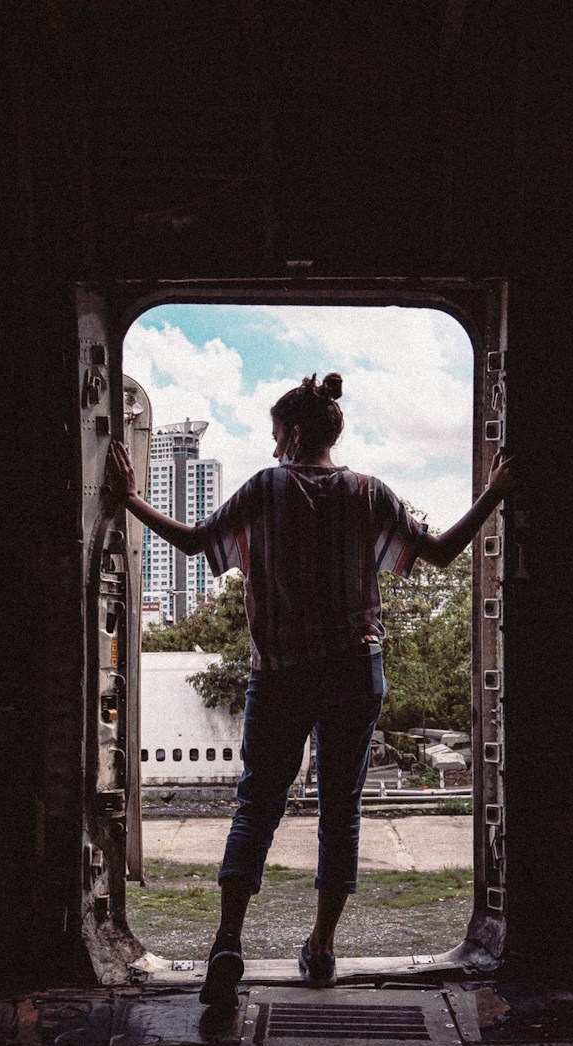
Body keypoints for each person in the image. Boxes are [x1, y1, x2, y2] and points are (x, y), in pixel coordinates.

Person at [108, 372, 514, 1008]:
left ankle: (228, 940)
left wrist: (130, 499)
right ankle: (321, 947)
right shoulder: (369, 493)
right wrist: (493, 494)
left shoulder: (268, 489)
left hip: (280, 674)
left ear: (294, 434)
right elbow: (437, 554)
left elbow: (192, 543)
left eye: (275, 436)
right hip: (356, 670)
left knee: (257, 805)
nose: (273, 449)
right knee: (340, 808)